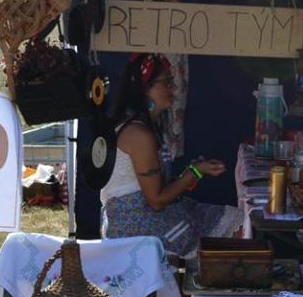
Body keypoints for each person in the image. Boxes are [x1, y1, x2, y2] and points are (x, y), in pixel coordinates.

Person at [100, 52, 242, 257]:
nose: (173, 88)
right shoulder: (139, 134)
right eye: (166, 83)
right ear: (145, 88)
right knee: (230, 226)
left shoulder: (146, 127)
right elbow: (156, 200)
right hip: (134, 223)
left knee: (232, 219)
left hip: (147, 213)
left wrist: (193, 172)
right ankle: (209, 275)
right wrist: (193, 173)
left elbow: (157, 188)